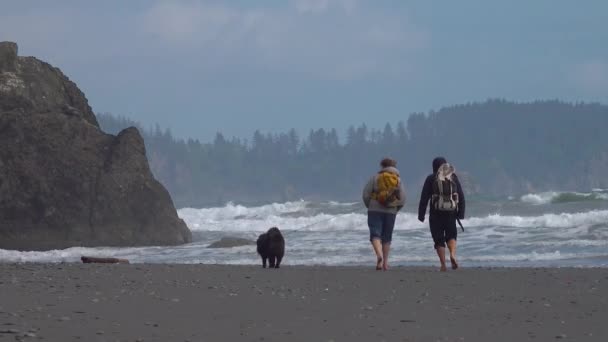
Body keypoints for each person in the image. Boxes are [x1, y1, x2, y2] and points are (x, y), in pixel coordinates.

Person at [418, 157, 466, 271]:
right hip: (451, 213)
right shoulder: (453, 177)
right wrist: (461, 213)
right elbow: (461, 196)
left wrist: (421, 215)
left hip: (435, 214)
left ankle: (443, 264)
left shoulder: (431, 178)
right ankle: (453, 254)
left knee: (438, 239)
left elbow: (424, 198)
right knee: (451, 236)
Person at [362, 157, 406, 271]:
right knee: (387, 238)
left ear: (382, 166)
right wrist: (396, 209)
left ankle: (379, 256)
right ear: (394, 167)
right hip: (390, 211)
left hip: (374, 209)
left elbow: (366, 194)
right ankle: (385, 264)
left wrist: (370, 205)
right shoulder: (398, 180)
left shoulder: (375, 178)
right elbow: (403, 199)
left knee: (375, 234)